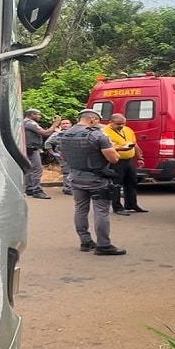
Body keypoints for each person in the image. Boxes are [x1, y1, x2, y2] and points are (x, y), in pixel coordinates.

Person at [59, 109, 127, 255]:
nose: (99, 124)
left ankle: (85, 241)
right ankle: (104, 245)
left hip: (75, 176)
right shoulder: (97, 135)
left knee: (80, 209)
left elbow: (64, 157)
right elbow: (113, 159)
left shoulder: (64, 134)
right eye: (97, 121)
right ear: (91, 119)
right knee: (101, 211)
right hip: (97, 179)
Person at [101, 113, 147, 214]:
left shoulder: (128, 130)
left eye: (123, 123)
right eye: (118, 124)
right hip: (115, 160)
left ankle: (131, 204)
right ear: (110, 122)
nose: (121, 125)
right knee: (116, 184)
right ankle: (117, 207)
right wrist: (121, 148)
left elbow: (135, 144)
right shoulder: (104, 132)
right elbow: (106, 148)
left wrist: (139, 158)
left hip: (129, 160)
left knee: (132, 182)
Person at [23, 108, 61, 199]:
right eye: (38, 114)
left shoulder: (25, 122)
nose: (40, 116)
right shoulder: (30, 123)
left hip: (28, 148)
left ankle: (29, 188)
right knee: (37, 169)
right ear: (32, 115)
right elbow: (46, 133)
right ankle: (36, 190)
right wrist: (55, 124)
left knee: (29, 169)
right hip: (31, 149)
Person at [44, 118, 73, 194]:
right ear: (61, 126)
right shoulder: (56, 134)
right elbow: (47, 144)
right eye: (63, 124)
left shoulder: (74, 133)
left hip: (73, 155)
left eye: (67, 123)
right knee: (67, 171)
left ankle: (69, 187)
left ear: (71, 124)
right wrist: (54, 154)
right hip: (62, 154)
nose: (65, 125)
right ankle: (68, 189)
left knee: (73, 171)